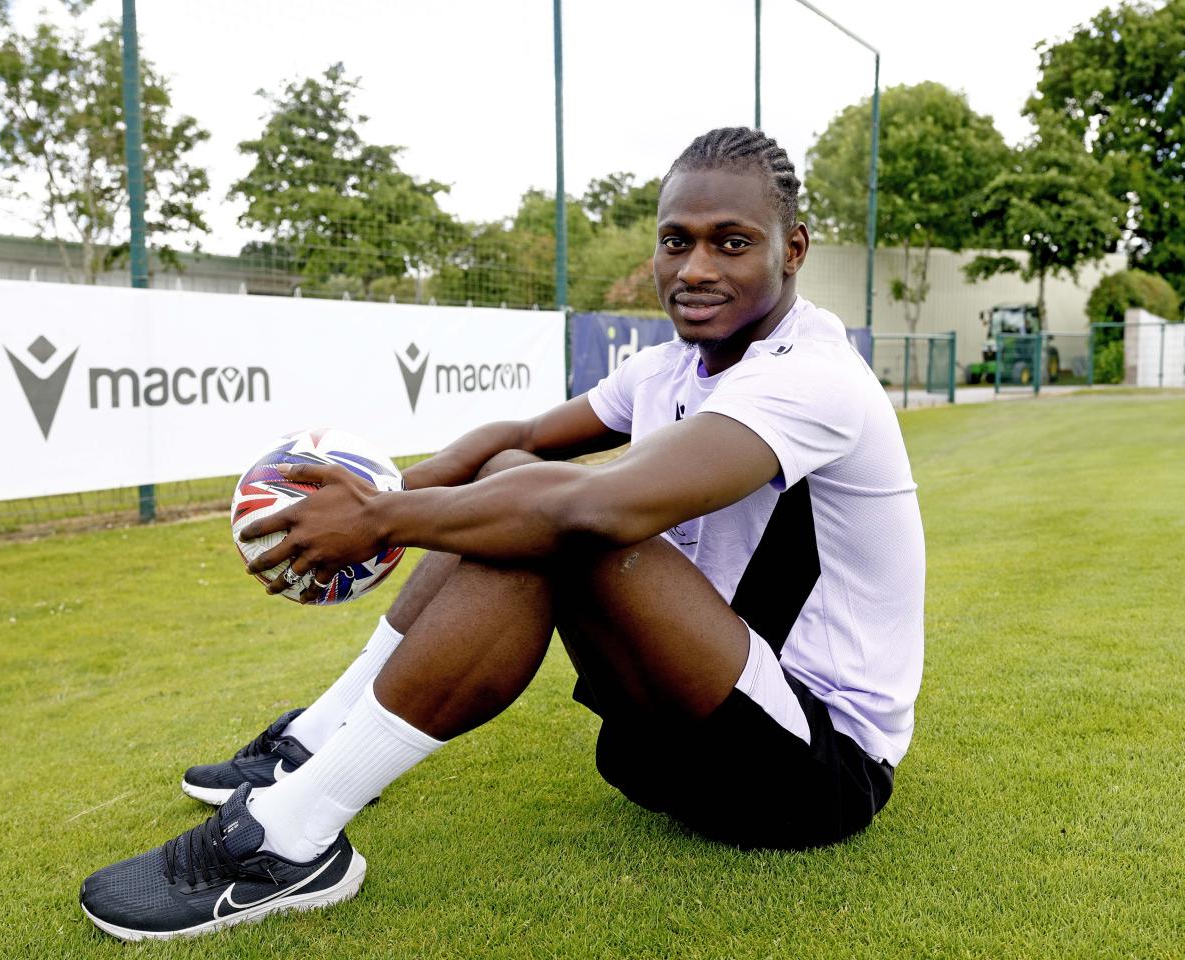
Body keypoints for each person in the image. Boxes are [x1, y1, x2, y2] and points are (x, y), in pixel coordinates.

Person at [79, 127, 925, 941]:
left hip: (814, 769)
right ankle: (314, 741)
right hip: (678, 744)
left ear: (795, 248)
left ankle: (288, 839)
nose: (695, 268)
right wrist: (369, 496)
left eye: (731, 243)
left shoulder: (815, 378)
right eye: (676, 241)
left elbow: (594, 512)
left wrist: (379, 521)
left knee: (556, 520)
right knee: (517, 476)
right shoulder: (668, 366)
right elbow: (508, 438)